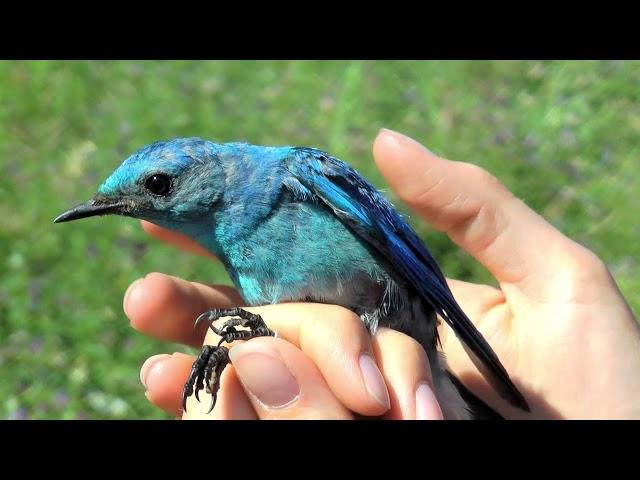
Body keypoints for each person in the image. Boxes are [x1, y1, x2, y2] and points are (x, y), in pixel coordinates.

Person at [123, 129, 640, 420]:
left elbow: (406, 258)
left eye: (160, 186)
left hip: (405, 324)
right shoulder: (228, 243)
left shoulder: (296, 174)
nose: (142, 206)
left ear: (211, 170)